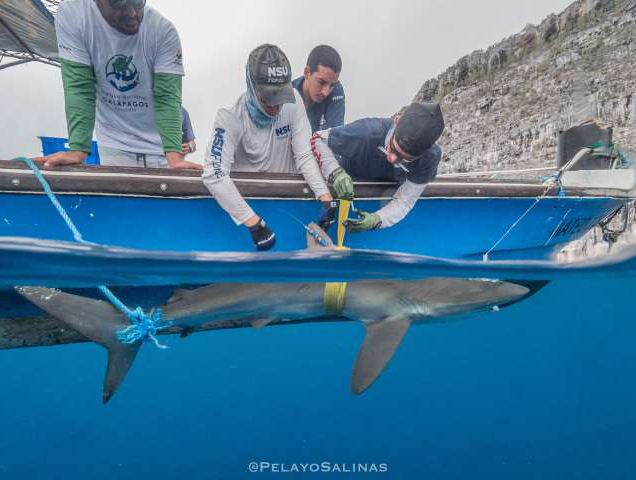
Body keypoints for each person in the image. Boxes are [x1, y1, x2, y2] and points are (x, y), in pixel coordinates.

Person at [202, 44, 353, 251]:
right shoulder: (229, 118)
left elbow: (304, 156)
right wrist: (254, 224)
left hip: (286, 200)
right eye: (268, 98)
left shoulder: (294, 101)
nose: (275, 107)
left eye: (280, 98)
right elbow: (213, 173)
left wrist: (326, 200)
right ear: (252, 87)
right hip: (247, 212)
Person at [37, 0, 201, 170]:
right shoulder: (74, 14)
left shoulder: (163, 30)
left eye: (138, 3)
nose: (132, 13)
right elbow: (80, 87)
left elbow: (166, 98)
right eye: (119, 4)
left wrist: (175, 158)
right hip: (116, 146)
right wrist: (77, 149)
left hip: (163, 150)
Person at [311, 102, 445, 232]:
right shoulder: (366, 132)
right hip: (347, 179)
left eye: (404, 159)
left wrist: (377, 220)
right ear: (396, 122)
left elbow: (404, 201)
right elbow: (318, 138)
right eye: (393, 148)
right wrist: (335, 173)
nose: (393, 159)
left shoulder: (430, 158)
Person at [292, 45, 345, 133]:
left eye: (332, 85)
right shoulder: (287, 97)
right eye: (321, 82)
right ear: (306, 73)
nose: (325, 92)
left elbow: (335, 139)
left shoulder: (336, 91)